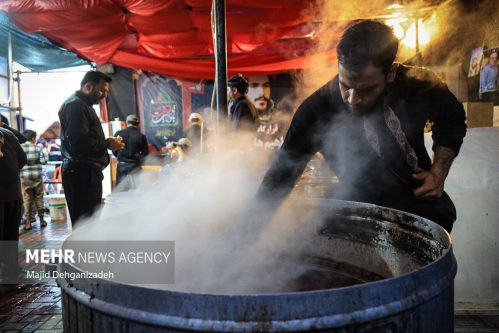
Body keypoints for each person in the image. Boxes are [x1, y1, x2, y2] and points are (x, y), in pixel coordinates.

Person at [255, 20, 467, 233]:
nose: (353, 99)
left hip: (422, 213)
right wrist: (241, 239)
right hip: (358, 217)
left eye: (366, 89)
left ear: (390, 73)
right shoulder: (315, 110)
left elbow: (453, 118)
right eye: (345, 86)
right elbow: (278, 178)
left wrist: (439, 170)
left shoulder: (418, 84)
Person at [58, 70, 124, 227]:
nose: (103, 96)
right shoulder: (75, 105)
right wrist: (107, 143)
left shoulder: (82, 105)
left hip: (86, 173)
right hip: (80, 174)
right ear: (88, 86)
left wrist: (107, 142)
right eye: (101, 90)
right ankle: (83, 252)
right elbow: (78, 143)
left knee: (91, 223)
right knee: (85, 225)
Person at [0, 127, 27, 285]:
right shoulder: (9, 134)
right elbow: (22, 159)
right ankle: (10, 270)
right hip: (13, 192)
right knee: (10, 235)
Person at [247, 75, 292, 150]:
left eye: (266, 85)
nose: (261, 93)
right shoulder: (238, 116)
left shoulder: (282, 117)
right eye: (254, 85)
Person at [19, 130, 47, 230]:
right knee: (39, 197)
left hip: (24, 177)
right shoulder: (37, 148)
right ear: (33, 138)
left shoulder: (20, 147)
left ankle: (28, 222)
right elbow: (44, 161)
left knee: (27, 199)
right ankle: (42, 220)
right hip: (37, 177)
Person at [113, 114, 149, 191]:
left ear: (127, 123)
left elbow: (114, 150)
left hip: (121, 166)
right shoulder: (141, 136)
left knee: (121, 191)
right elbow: (146, 153)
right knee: (135, 192)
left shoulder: (118, 134)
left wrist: (120, 157)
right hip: (135, 167)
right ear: (138, 124)